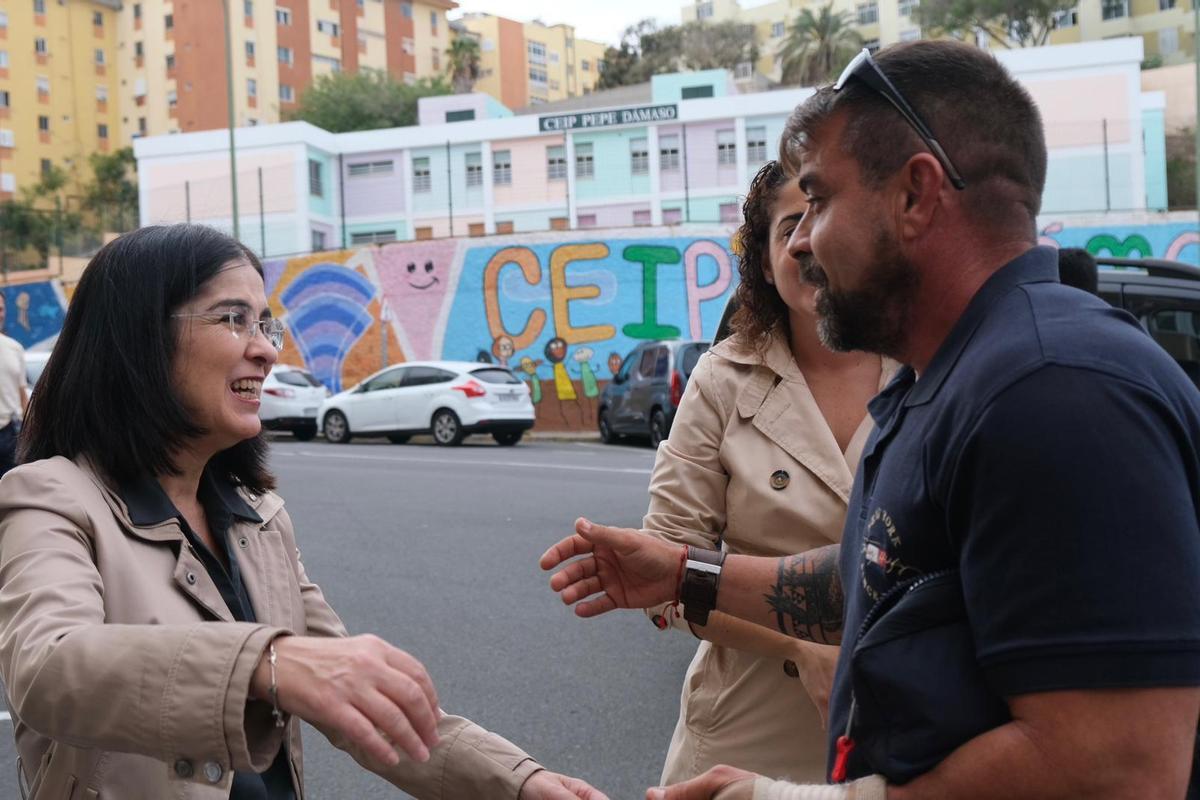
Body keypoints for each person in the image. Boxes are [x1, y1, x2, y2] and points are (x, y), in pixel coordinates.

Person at [542, 40, 1200, 800]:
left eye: (819, 200)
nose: (806, 242)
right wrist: (688, 571)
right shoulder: (944, 377)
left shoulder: (1053, 391)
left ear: (916, 196)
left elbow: (1114, 767)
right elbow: (881, 575)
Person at [0, 224, 605, 800]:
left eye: (266, 324)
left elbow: (361, 702)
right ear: (138, 339)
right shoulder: (49, 497)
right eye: (234, 319)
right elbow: (48, 666)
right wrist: (270, 663)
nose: (265, 350)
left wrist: (520, 784)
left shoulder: (257, 517)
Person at [584, 160, 896, 785]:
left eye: (828, 214)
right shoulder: (722, 379)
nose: (809, 240)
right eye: (788, 227)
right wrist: (800, 647)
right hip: (746, 729)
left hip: (905, 724)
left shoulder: (929, 367)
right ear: (762, 258)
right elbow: (665, 577)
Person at [0, 292, 27, 478]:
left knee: (14, 493)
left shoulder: (14, 348)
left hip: (11, 434)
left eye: (0, 309)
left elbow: (22, 395)